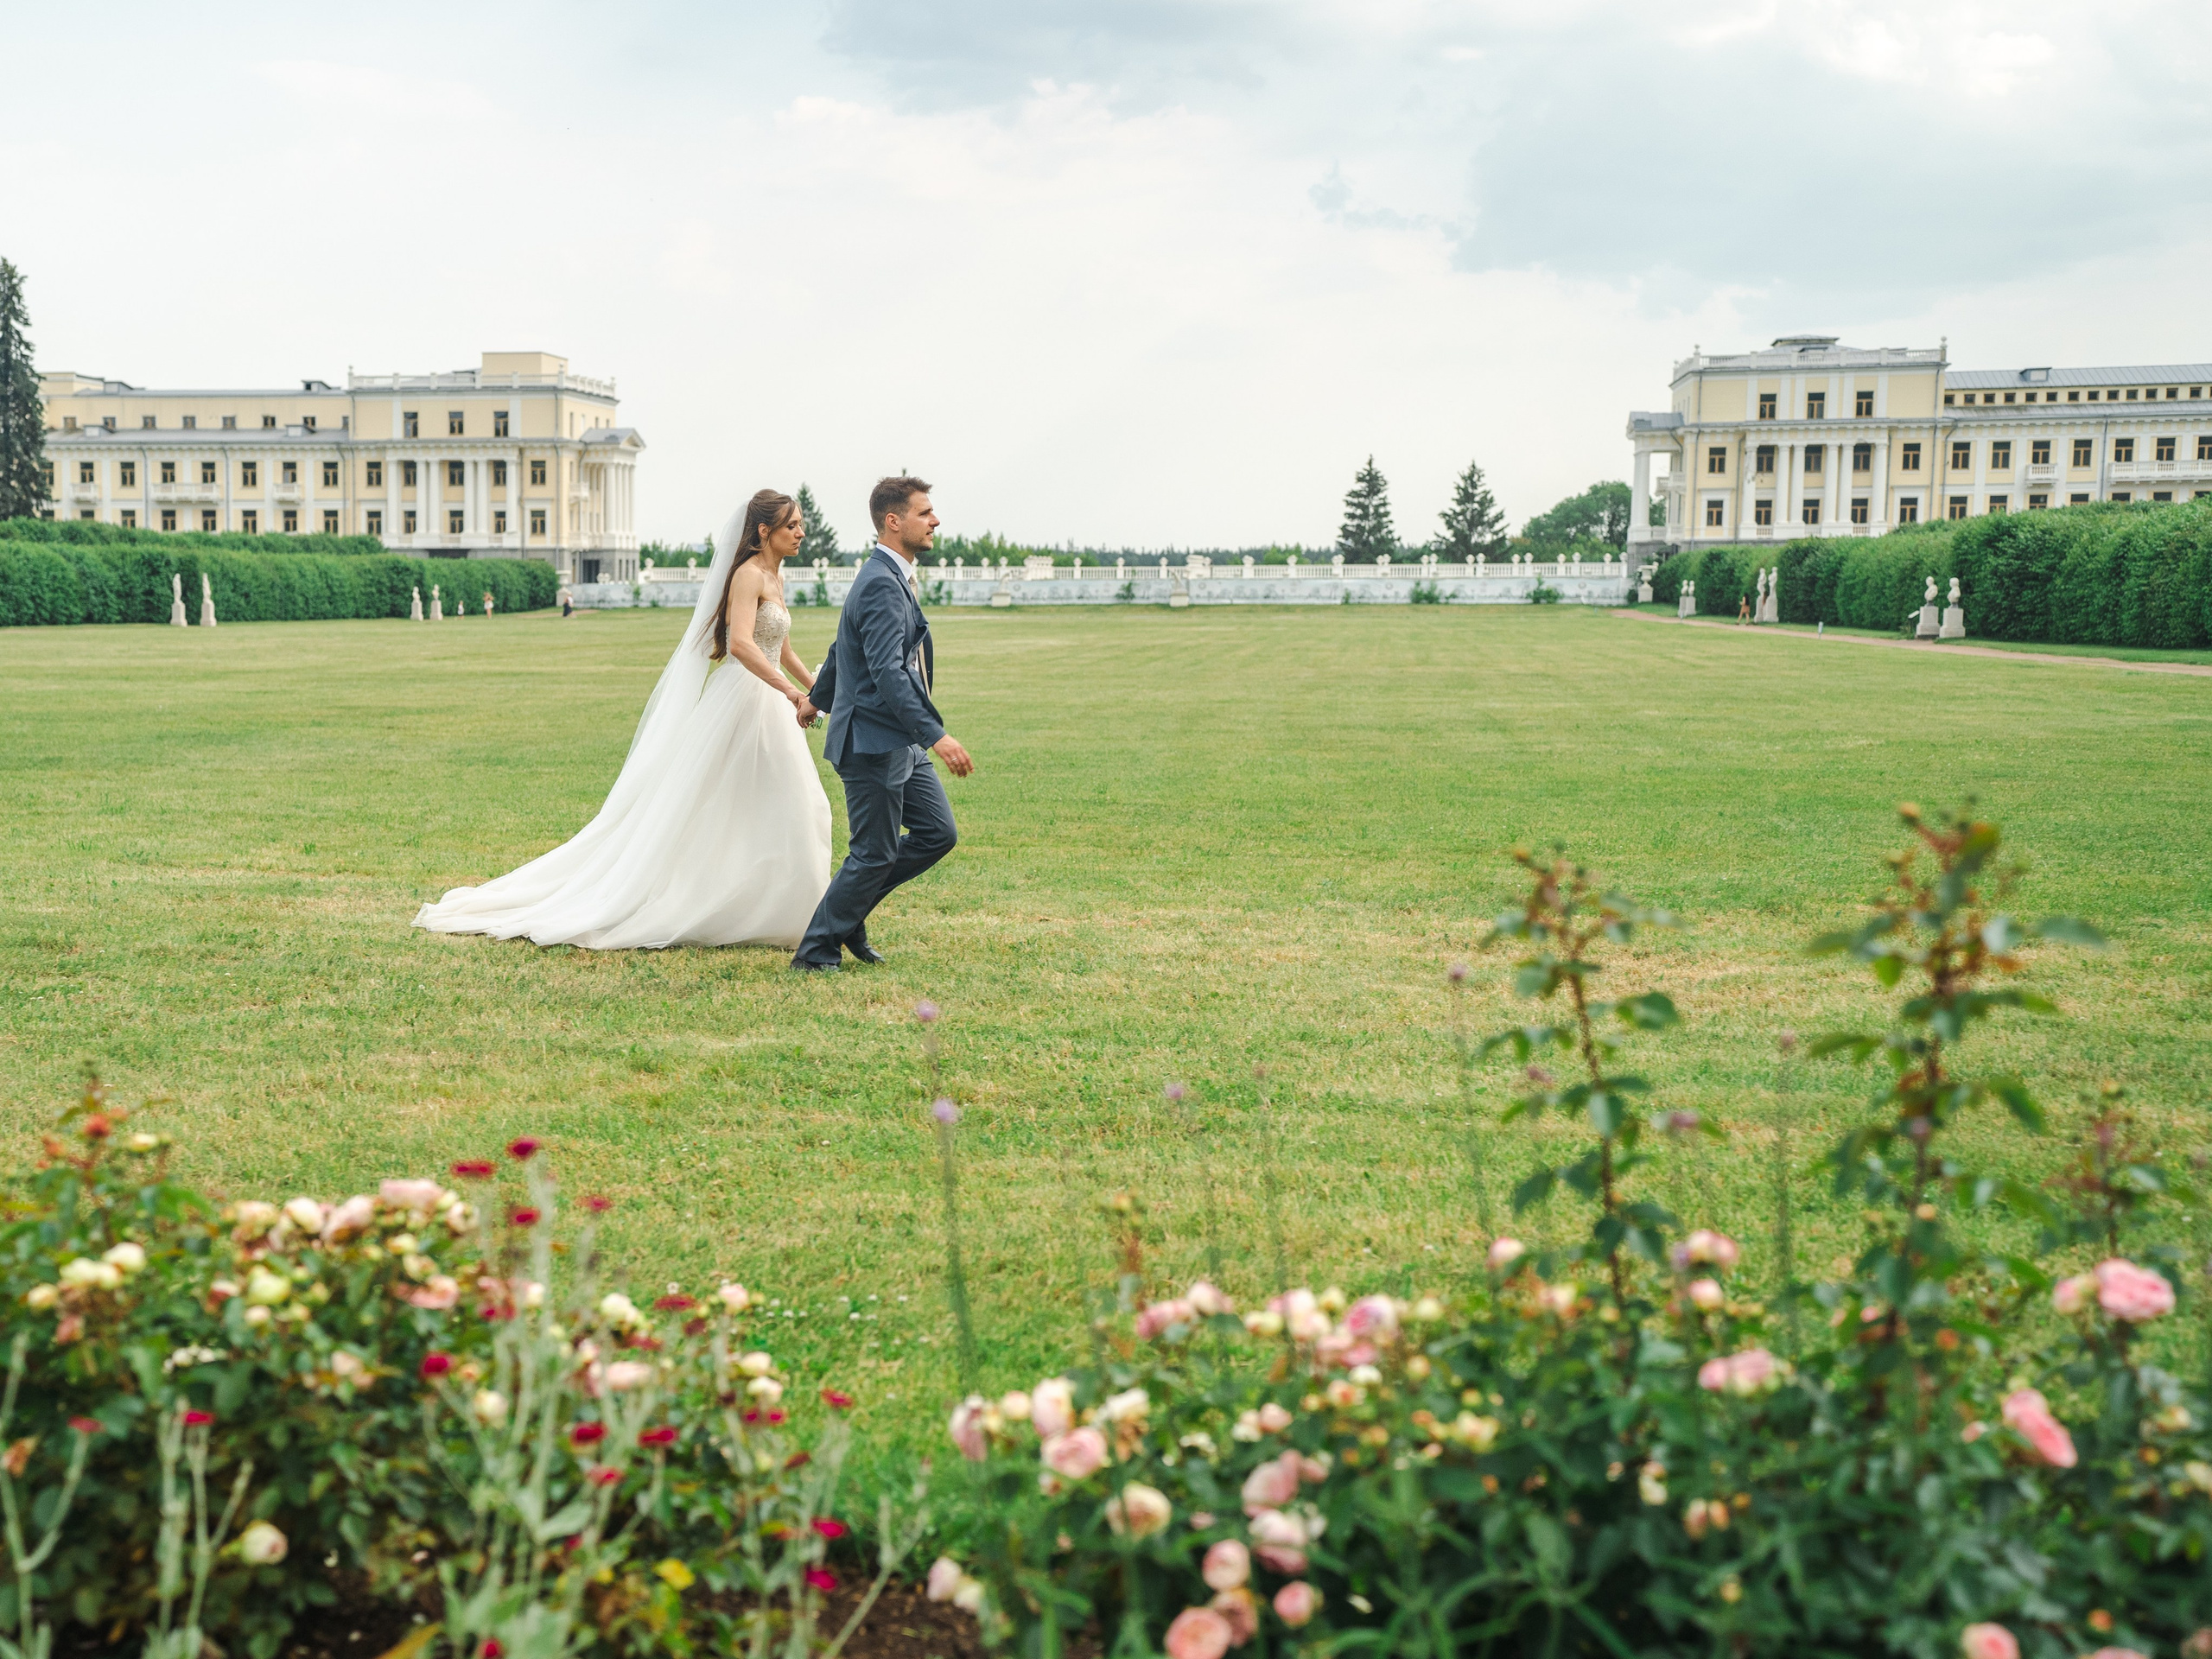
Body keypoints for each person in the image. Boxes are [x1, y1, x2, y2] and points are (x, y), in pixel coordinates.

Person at [412, 490, 831, 950]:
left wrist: (814, 686)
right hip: (743, 700)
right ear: (764, 531)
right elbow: (743, 645)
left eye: (800, 525)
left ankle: (778, 908)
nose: (801, 533)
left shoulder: (775, 576)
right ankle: (719, 902)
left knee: (789, 802)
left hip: (769, 700)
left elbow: (780, 646)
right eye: (792, 525)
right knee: (737, 800)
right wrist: (790, 692)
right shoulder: (748, 575)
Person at [789, 476, 973, 971]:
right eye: (924, 512)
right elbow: (888, 669)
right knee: (873, 853)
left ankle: (848, 915)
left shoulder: (890, 576)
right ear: (894, 522)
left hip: (900, 741)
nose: (935, 521)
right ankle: (815, 952)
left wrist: (815, 696)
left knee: (937, 833)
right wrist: (937, 735)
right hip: (872, 739)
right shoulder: (879, 582)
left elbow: (841, 647)